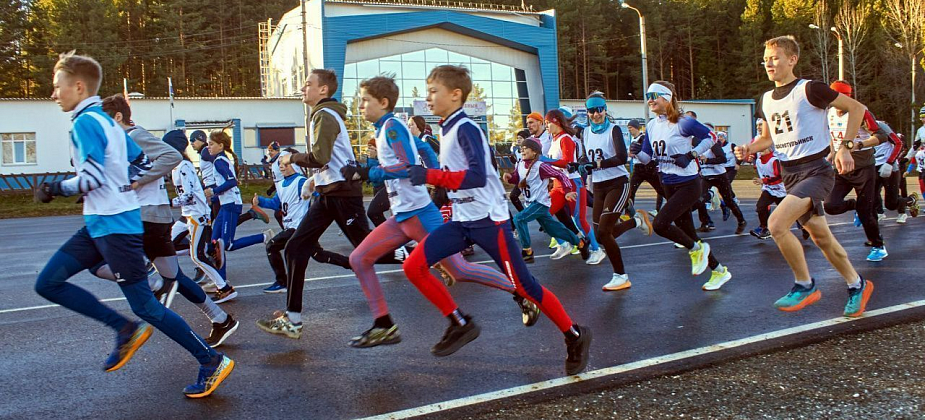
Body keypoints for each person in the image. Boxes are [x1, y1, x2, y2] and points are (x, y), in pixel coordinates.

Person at [35, 51, 233, 397]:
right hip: (100, 225)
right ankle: (123, 329)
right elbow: (141, 163)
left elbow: (91, 178)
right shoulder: (109, 123)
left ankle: (210, 360)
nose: (54, 94)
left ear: (78, 86)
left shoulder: (86, 123)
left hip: (116, 228)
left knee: (146, 307)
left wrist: (54, 188)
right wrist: (123, 185)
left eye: (57, 87)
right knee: (48, 282)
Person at [403, 65, 591, 375]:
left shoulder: (466, 128)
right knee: (413, 266)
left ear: (455, 94)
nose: (428, 97)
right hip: (463, 221)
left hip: (490, 221)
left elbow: (476, 175)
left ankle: (574, 335)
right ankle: (459, 323)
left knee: (525, 285)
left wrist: (430, 175)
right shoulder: (445, 128)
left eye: (433, 91)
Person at [344, 76, 540, 347]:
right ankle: (383, 324)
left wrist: (370, 172)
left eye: (366, 100)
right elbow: (422, 149)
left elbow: (409, 164)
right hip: (401, 216)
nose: (361, 106)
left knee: (458, 269)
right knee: (359, 259)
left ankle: (520, 293)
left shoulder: (391, 127)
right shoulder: (381, 130)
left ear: (384, 102)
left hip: (420, 214)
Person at [256, 69, 400, 339]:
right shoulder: (321, 115)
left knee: (366, 251)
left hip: (343, 193)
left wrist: (292, 158)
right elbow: (328, 160)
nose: (302, 88)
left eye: (308, 84)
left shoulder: (325, 114)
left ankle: (418, 255)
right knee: (295, 248)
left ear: (323, 90)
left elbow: (321, 156)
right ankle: (294, 319)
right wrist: (314, 182)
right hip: (328, 193)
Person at [735, 36, 873, 317]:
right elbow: (768, 138)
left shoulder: (810, 89)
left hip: (817, 171)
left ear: (792, 59)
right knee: (821, 237)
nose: (768, 64)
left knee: (776, 224)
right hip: (790, 174)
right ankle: (857, 285)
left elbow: (857, 108)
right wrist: (749, 148)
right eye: (765, 60)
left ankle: (805, 284)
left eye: (774, 58)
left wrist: (846, 147)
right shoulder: (766, 100)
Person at [96, 96, 238, 346]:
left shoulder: (133, 136)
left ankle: (152, 287)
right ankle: (220, 318)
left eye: (104, 121)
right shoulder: (124, 141)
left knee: (99, 257)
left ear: (118, 117)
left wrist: (137, 182)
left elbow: (170, 158)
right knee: (175, 275)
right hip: (155, 215)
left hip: (145, 215)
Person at [630, 81, 733, 291]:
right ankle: (719, 270)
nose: (649, 99)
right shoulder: (651, 125)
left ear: (667, 98)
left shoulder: (683, 122)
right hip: (667, 182)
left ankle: (697, 249)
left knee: (660, 224)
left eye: (654, 95)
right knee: (688, 233)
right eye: (647, 95)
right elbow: (648, 158)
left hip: (688, 183)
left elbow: (711, 137)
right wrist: (636, 152)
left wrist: (692, 154)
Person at [576, 92, 654, 290]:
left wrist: (596, 164)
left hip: (618, 183)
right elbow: (586, 157)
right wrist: (582, 164)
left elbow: (621, 157)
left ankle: (621, 276)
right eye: (592, 111)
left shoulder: (614, 129)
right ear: (587, 112)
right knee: (601, 235)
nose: (596, 114)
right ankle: (637, 220)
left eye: (599, 110)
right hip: (599, 185)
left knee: (603, 231)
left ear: (605, 110)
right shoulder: (585, 132)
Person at [823, 81, 892, 262]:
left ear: (846, 97)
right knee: (830, 205)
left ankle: (878, 246)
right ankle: (854, 206)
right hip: (842, 167)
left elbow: (881, 136)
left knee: (866, 211)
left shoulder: (860, 111)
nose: (832, 101)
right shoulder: (829, 113)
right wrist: (832, 153)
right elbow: (833, 135)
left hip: (863, 166)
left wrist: (859, 144)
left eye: (836, 96)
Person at [505, 137, 586, 263]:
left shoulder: (540, 166)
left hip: (540, 203)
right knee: (552, 229)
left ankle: (527, 251)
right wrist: (510, 178)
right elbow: (517, 178)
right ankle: (580, 243)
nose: (522, 150)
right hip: (530, 203)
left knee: (518, 219)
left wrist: (568, 190)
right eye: (521, 148)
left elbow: (560, 174)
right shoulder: (520, 163)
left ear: (535, 152)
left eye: (526, 148)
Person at [543, 108, 596, 261]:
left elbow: (566, 161)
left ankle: (596, 248)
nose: (546, 126)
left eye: (548, 123)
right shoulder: (554, 139)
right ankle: (564, 244)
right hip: (558, 184)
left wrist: (546, 161)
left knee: (579, 220)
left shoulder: (566, 138)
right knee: (543, 214)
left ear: (556, 122)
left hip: (572, 182)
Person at [697, 130, 748, 234]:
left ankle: (741, 221)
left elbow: (723, 159)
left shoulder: (713, 145)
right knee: (700, 200)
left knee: (729, 200)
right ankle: (705, 223)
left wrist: (707, 160)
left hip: (719, 176)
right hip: (706, 176)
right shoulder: (696, 146)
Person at [627, 119, 664, 215]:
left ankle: (668, 208)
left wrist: (634, 154)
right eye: (628, 128)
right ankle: (628, 213)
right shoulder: (632, 139)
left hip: (648, 167)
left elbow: (647, 152)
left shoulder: (643, 138)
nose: (629, 130)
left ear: (636, 128)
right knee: (631, 190)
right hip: (637, 167)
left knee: (660, 189)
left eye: (630, 128)